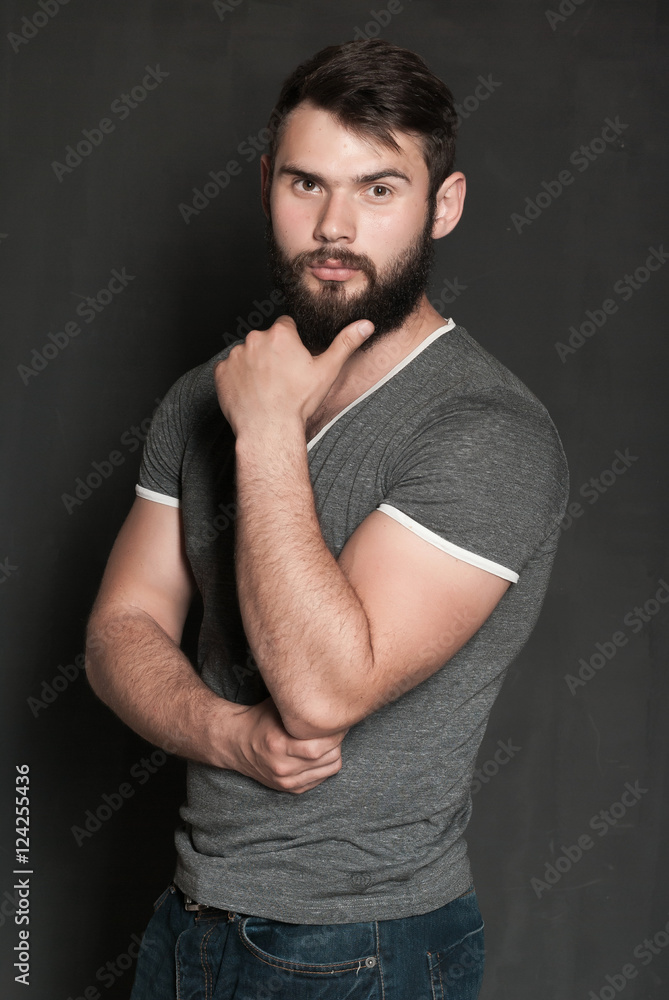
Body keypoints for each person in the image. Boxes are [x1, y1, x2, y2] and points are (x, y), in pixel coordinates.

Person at [85, 38, 569, 1000]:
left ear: (444, 204)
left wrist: (264, 432)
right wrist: (227, 737)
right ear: (267, 184)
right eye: (306, 184)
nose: (335, 226)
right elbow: (115, 633)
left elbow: (319, 692)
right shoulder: (203, 396)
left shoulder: (485, 433)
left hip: (360, 946)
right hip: (189, 920)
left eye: (378, 190)